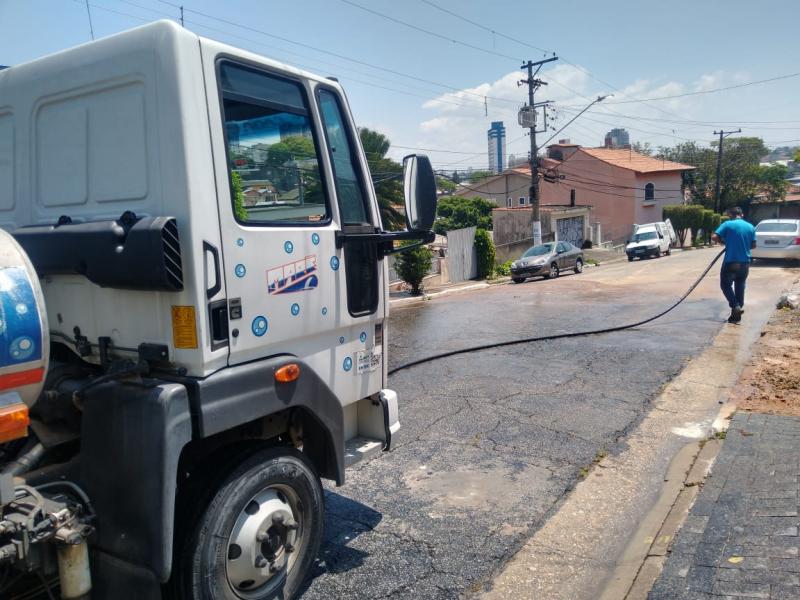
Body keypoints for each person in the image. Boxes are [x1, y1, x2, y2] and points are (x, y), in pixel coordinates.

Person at [711, 207, 756, 324]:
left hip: (731, 261)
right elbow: (753, 245)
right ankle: (736, 317)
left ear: (731, 214)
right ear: (742, 214)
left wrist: (724, 242)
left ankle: (736, 306)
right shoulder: (751, 227)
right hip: (745, 263)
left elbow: (714, 237)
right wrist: (743, 246)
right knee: (740, 286)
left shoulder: (727, 224)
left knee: (725, 285)